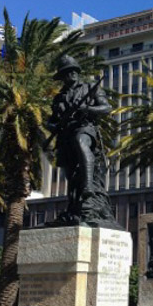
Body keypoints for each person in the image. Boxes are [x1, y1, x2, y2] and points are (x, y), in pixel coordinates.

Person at [48, 56, 111, 224]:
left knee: (81, 142)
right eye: (68, 72)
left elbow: (106, 108)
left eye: (74, 71)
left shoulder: (90, 88)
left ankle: (89, 186)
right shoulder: (59, 98)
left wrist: (87, 109)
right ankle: (74, 205)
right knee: (70, 173)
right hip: (64, 135)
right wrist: (52, 126)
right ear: (63, 77)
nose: (72, 74)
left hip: (85, 128)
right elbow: (51, 120)